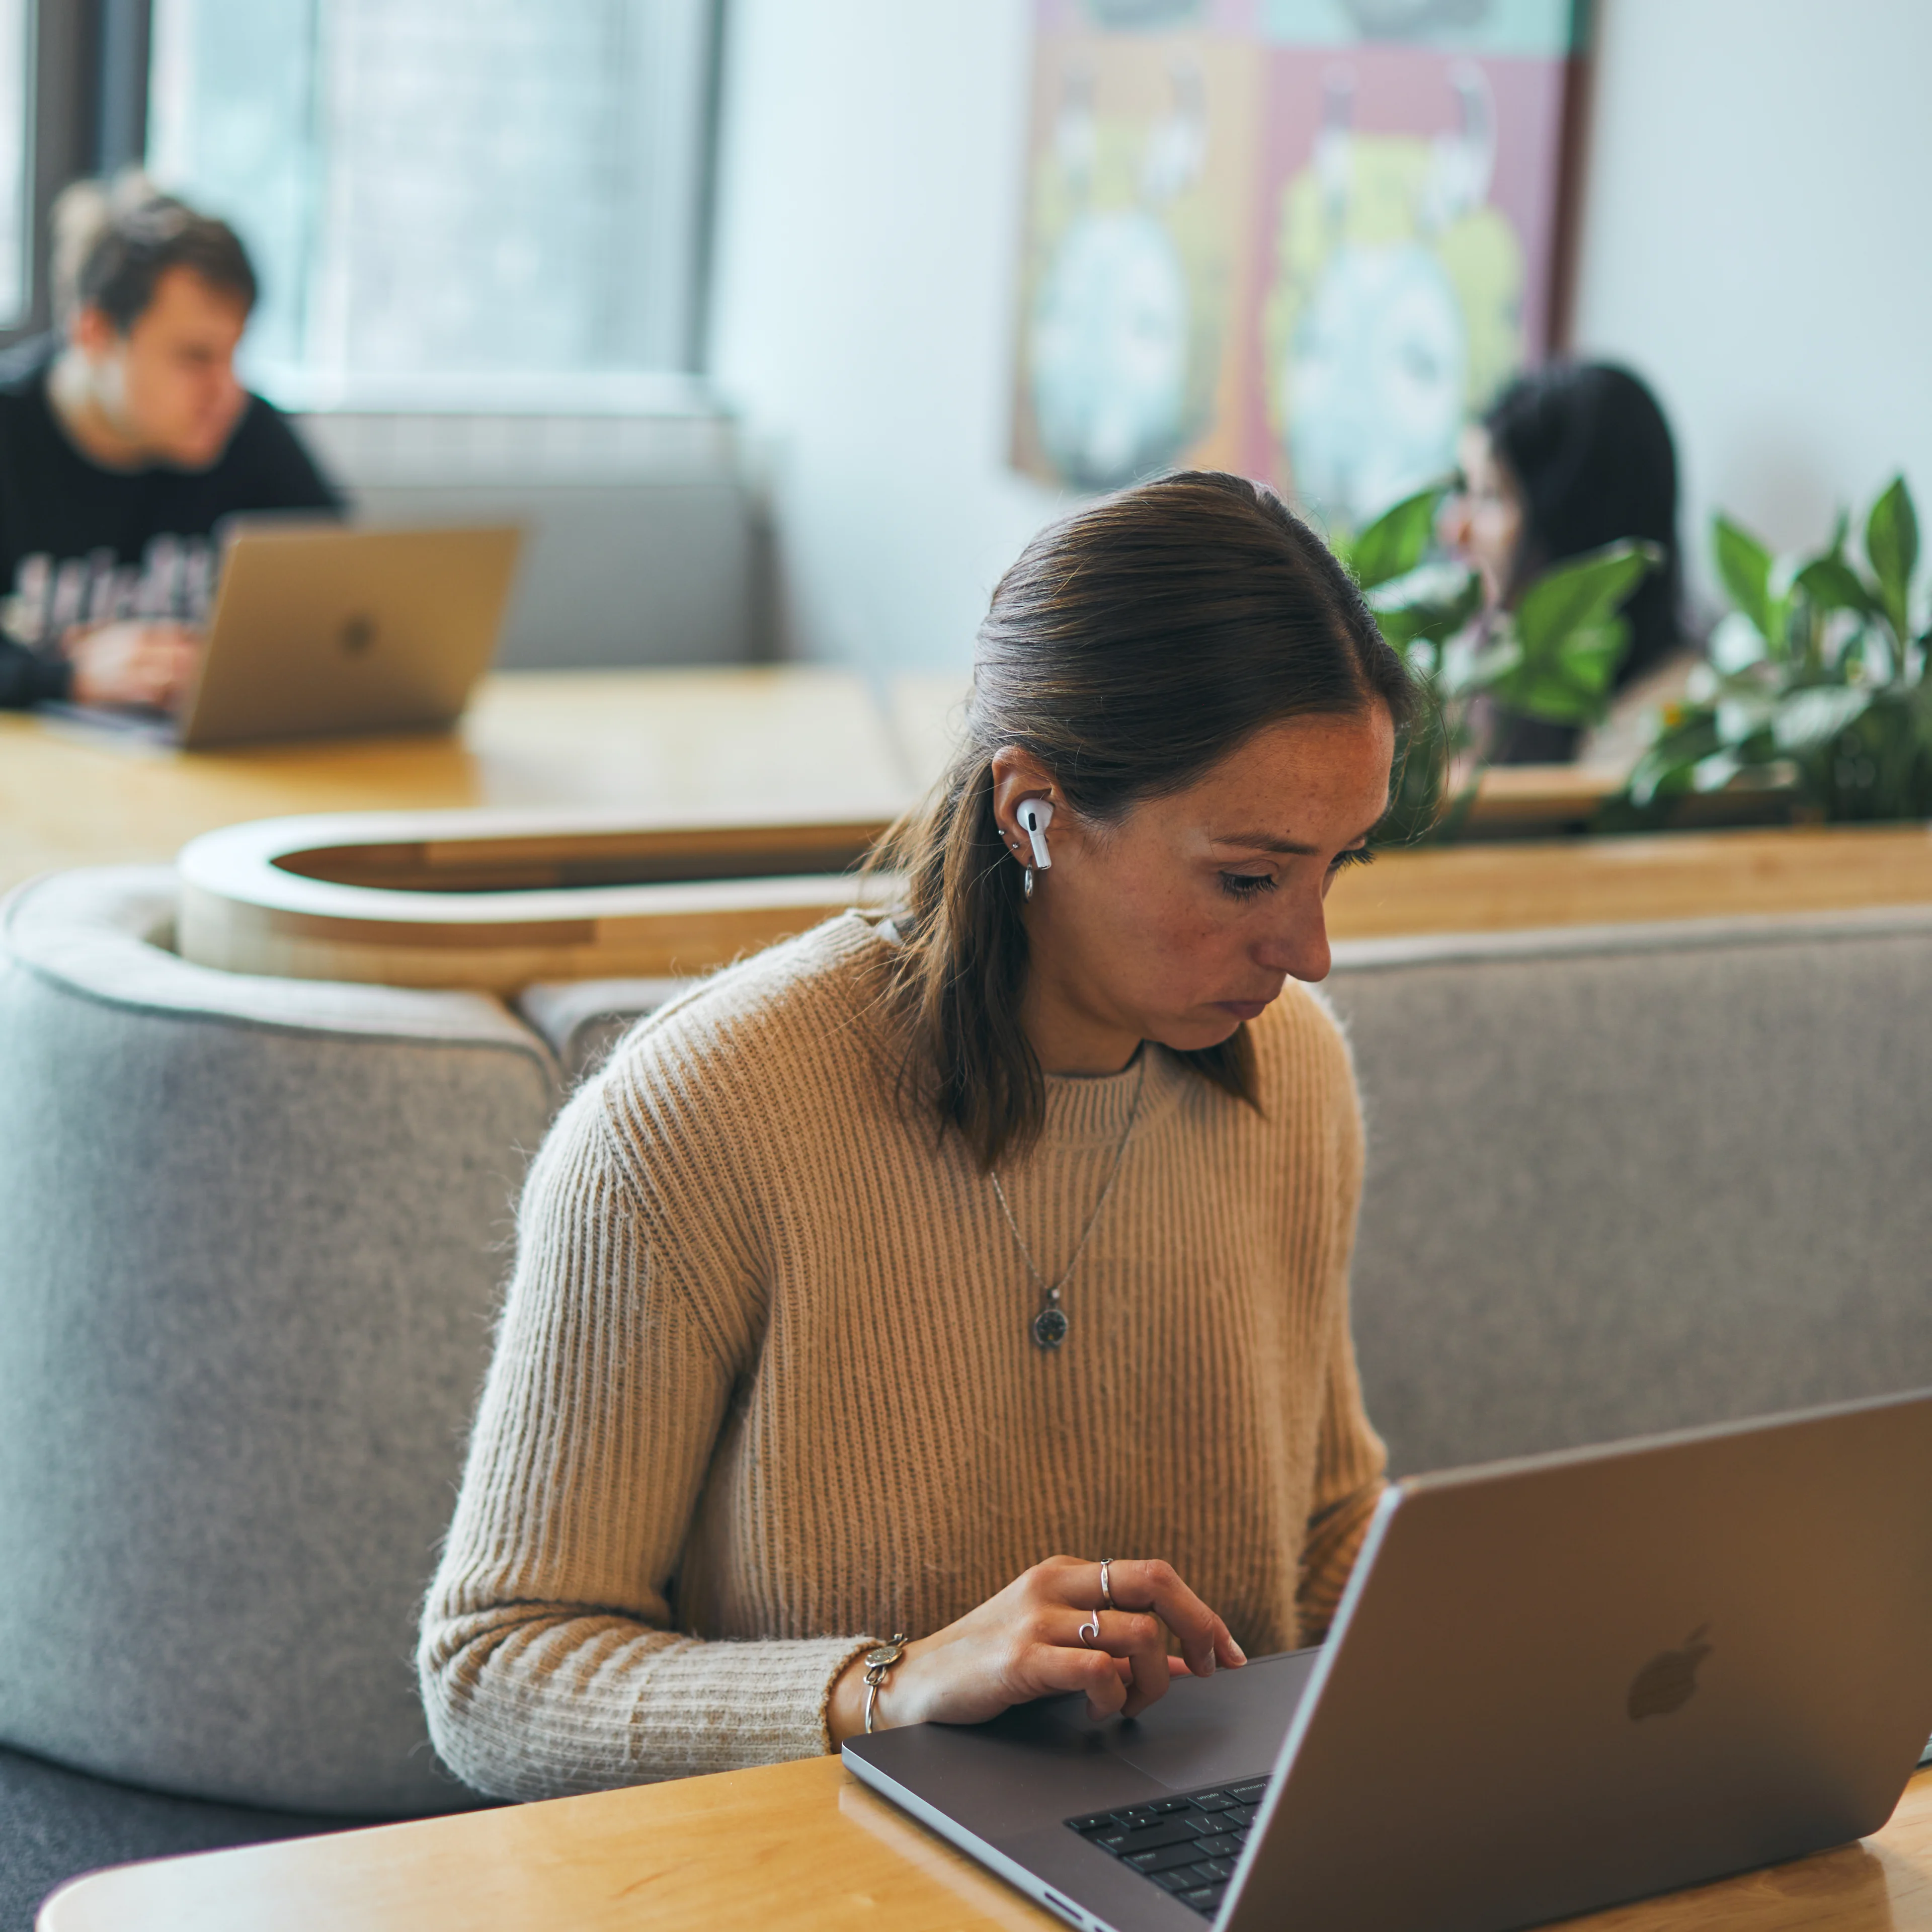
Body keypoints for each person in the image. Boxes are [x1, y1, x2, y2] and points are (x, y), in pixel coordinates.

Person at [418, 471, 1414, 1799]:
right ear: (1033, 811)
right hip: (819, 1875)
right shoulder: (700, 1119)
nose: (1312, 953)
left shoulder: (1293, 1076)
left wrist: (1515, 1623)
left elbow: (1320, 1529)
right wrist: (889, 1686)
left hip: (1199, 1858)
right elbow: (494, 1670)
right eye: (1249, 878)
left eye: (1338, 865)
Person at [0, 174, 340, 712]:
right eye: (195, 358)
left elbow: (350, 600)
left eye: (234, 354)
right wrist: (66, 677)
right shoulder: (11, 432)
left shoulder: (247, 431)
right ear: (96, 334)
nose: (227, 391)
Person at [1438, 361, 1685, 763]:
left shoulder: (1661, 719)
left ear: (1573, 529)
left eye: (1490, 498)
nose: (1455, 529)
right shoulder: (1463, 671)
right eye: (1464, 491)